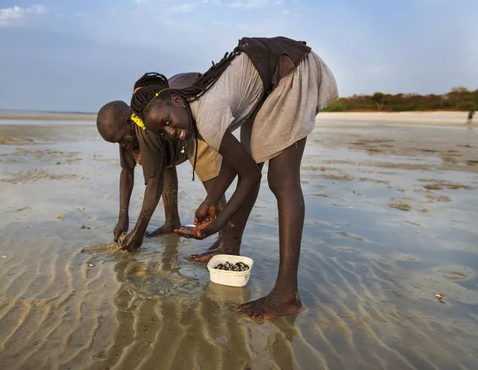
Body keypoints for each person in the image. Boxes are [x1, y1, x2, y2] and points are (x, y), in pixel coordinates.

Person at [129, 36, 338, 320]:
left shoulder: (207, 117)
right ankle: (230, 248)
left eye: (168, 122)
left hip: (293, 71)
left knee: (282, 181)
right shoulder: (194, 108)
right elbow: (237, 159)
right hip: (270, 85)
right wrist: (211, 200)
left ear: (176, 99)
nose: (171, 132)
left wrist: (219, 222)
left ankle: (286, 295)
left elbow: (249, 175)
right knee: (255, 155)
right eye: (163, 132)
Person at [97, 73, 259, 255]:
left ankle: (227, 242)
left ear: (131, 121)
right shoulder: (127, 134)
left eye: (121, 139)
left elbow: (154, 183)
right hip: (174, 126)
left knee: (211, 181)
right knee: (163, 163)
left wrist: (139, 231)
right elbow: (126, 172)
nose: (123, 145)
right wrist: (122, 218)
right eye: (117, 143)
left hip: (195, 117)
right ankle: (171, 221)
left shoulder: (145, 128)